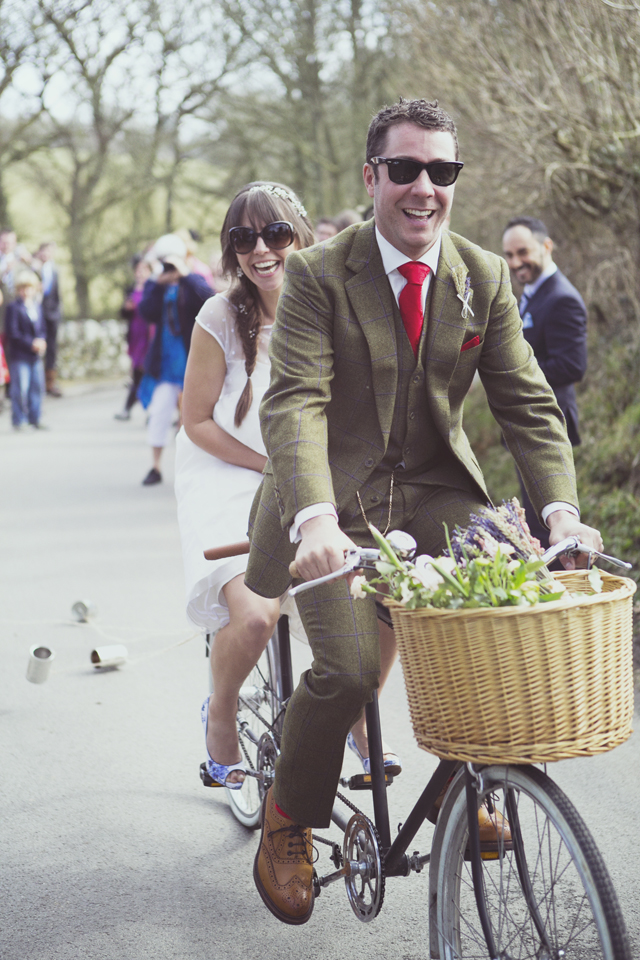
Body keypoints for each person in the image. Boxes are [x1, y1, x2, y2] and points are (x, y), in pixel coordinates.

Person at [245, 97, 603, 925]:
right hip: (333, 502)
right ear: (372, 176)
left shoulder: (481, 275)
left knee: (512, 611)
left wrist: (561, 517)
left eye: (441, 171)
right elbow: (295, 404)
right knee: (349, 670)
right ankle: (288, 819)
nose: (423, 188)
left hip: (437, 489)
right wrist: (315, 523)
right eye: (404, 169)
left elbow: (529, 407)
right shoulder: (316, 274)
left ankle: (470, 776)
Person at [174, 182, 316, 788]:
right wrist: (266, 468)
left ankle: (359, 733)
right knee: (257, 617)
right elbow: (197, 420)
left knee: (370, 606)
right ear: (232, 250)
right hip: (228, 470)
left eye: (276, 233)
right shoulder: (219, 315)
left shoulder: (327, 302)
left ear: (299, 236)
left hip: (305, 469)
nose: (262, 249)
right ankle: (222, 714)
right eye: (244, 237)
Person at [502, 216, 588, 550]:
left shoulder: (562, 298)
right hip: (527, 420)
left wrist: (515, 371)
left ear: (546, 246)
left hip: (550, 421)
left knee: (549, 519)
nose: (515, 262)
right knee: (536, 513)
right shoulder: (532, 293)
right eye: (509, 255)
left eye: (523, 252)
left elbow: (572, 366)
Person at [138, 234, 213, 485]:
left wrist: (186, 275)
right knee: (159, 411)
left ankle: (193, 466)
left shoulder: (192, 280)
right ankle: (155, 466)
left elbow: (209, 299)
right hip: (165, 361)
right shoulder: (155, 284)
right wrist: (159, 284)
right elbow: (146, 312)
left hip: (192, 359)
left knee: (194, 417)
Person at [5, 272, 47, 430]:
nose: (25, 291)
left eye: (28, 287)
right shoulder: (13, 308)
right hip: (19, 354)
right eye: (22, 288)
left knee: (36, 387)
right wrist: (31, 343)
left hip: (35, 355)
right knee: (20, 389)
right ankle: (18, 420)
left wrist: (41, 341)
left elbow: (42, 328)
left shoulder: (37, 306)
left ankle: (35, 418)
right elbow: (13, 332)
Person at [114, 257, 154, 421]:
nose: (140, 273)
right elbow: (123, 314)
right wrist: (127, 308)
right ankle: (135, 409)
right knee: (138, 371)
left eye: (144, 270)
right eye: (138, 270)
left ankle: (142, 409)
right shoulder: (131, 289)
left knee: (146, 372)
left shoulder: (153, 288)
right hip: (135, 334)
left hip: (149, 334)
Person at [32, 242, 63, 398]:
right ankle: (36, 382)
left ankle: (50, 383)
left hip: (52, 315)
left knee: (52, 349)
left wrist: (58, 314)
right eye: (44, 251)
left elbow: (57, 294)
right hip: (37, 314)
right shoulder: (34, 268)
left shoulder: (54, 270)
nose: (46, 254)